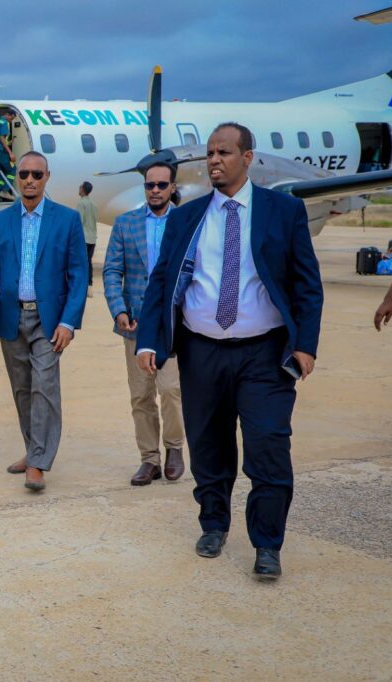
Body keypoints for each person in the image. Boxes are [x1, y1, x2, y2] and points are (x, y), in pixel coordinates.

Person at [136, 123, 323, 581]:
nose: (214, 160)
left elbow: (307, 283)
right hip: (202, 352)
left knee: (268, 446)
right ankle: (214, 524)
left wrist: (305, 345)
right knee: (209, 446)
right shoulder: (187, 217)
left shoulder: (283, 211)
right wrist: (149, 339)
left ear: (248, 157)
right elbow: (162, 281)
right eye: (210, 153)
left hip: (265, 354)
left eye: (224, 152)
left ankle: (267, 544)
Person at [0, 151, 89, 492]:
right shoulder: (1, 221)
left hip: (49, 320)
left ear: (46, 177)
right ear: (17, 176)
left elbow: (79, 274)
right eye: (24, 173)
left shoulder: (67, 220)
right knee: (22, 389)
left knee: (44, 386)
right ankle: (32, 450)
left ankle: (38, 463)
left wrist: (68, 322)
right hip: (10, 317)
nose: (29, 180)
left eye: (36, 174)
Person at [102, 162, 185, 486]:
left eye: (162, 185)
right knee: (141, 394)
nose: (155, 190)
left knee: (171, 389)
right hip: (135, 323)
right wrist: (118, 309)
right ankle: (149, 459)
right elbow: (112, 270)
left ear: (172, 187)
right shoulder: (126, 223)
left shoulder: (185, 221)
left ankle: (174, 448)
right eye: (150, 185)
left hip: (173, 323)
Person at [77, 181, 98, 298]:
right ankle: (90, 286)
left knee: (81, 263)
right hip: (93, 238)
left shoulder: (81, 204)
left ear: (83, 190)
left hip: (84, 238)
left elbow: (79, 222)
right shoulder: (94, 205)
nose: (79, 189)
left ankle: (82, 287)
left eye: (80, 187)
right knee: (89, 262)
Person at [0, 111, 17, 201]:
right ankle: (5, 191)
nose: (11, 121)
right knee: (12, 169)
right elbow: (2, 138)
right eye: (11, 118)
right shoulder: (4, 123)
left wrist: (9, 142)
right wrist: (10, 153)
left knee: (1, 173)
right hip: (1, 151)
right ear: (7, 115)